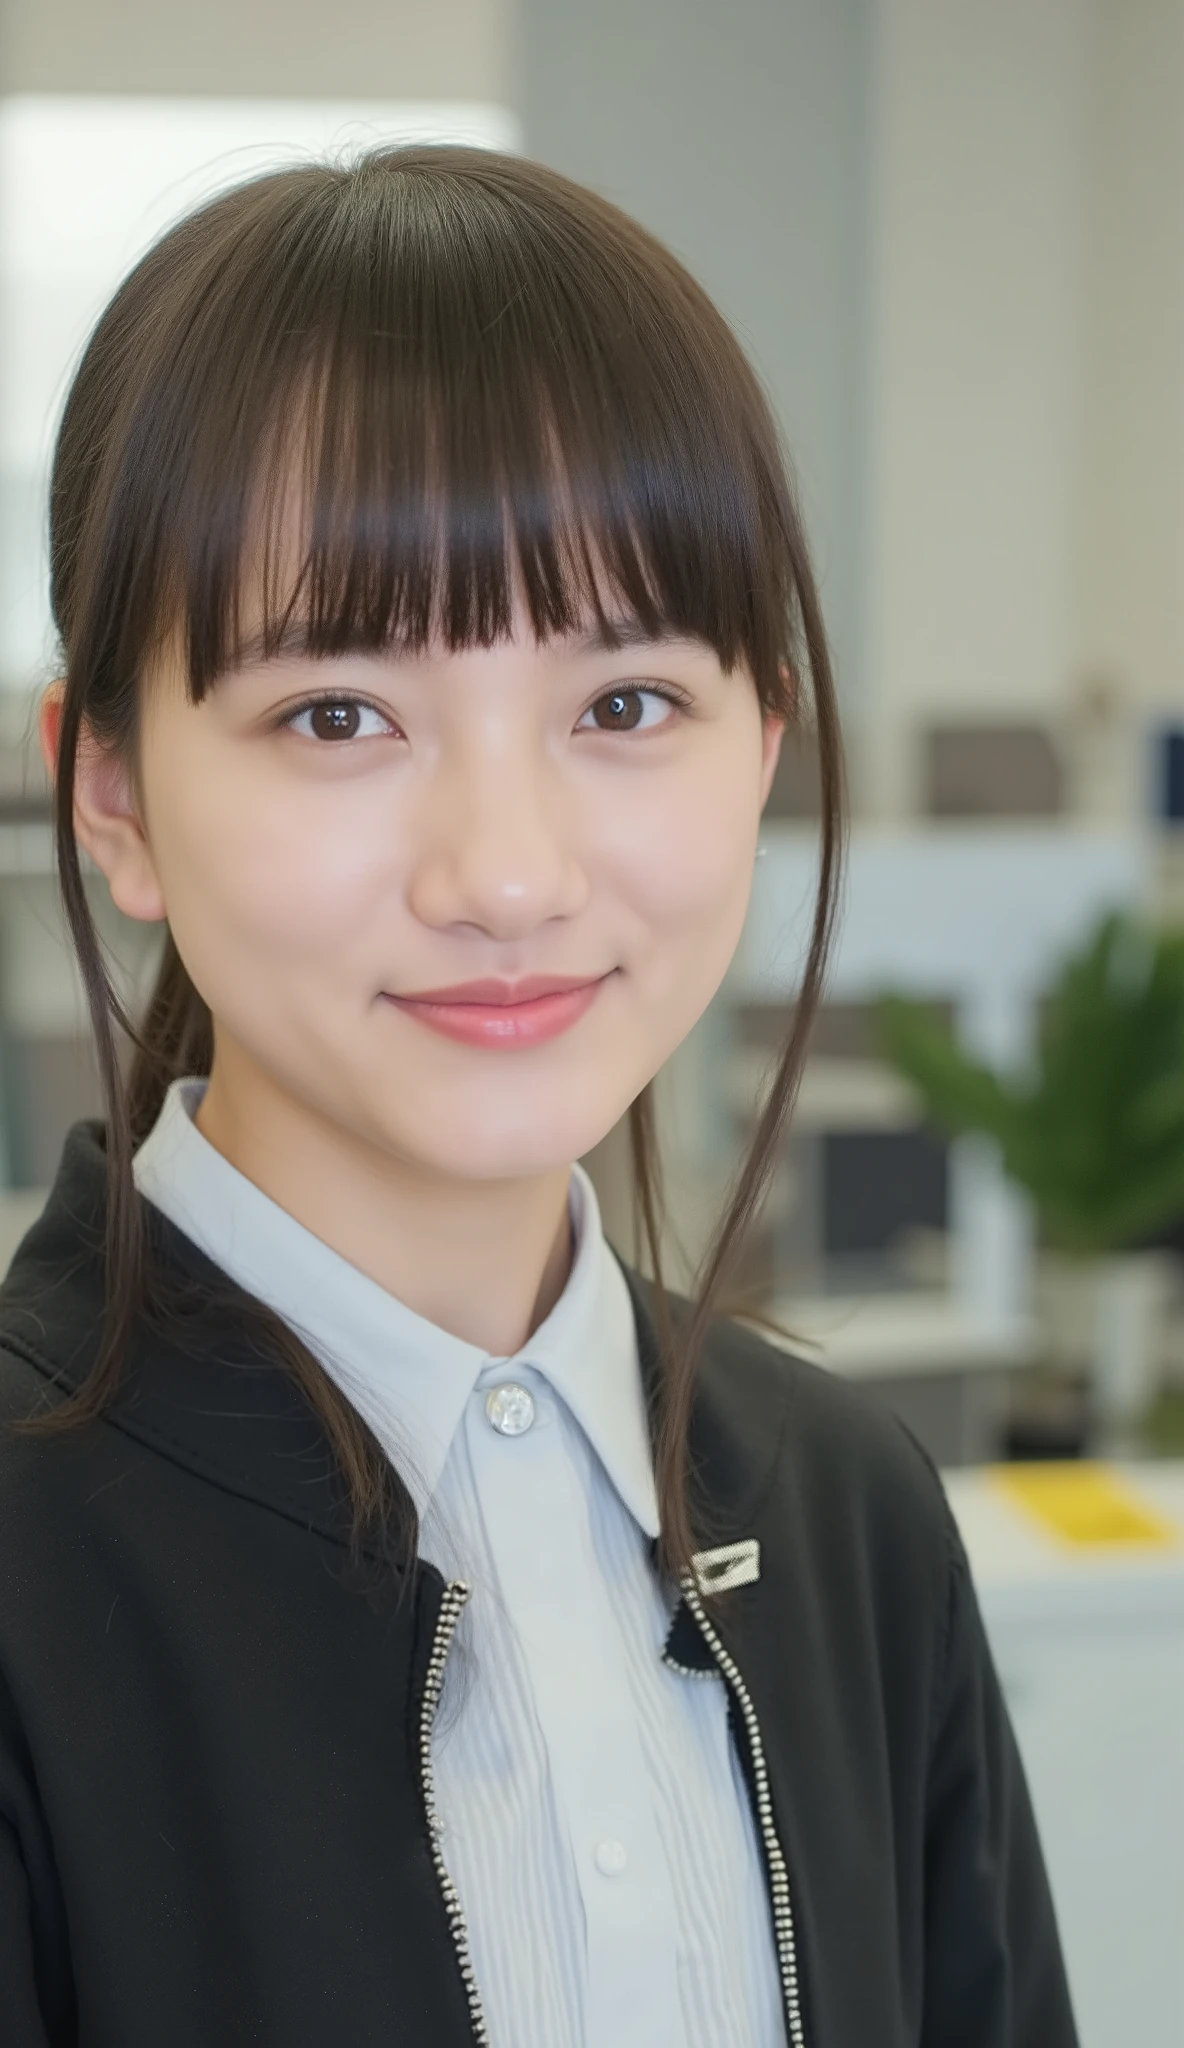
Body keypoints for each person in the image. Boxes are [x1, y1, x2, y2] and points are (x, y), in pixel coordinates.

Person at [0, 147, 1076, 2048]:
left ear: (763, 735)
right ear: (110, 794)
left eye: (625, 704)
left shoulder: (854, 1520)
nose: (506, 872)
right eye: (339, 715)